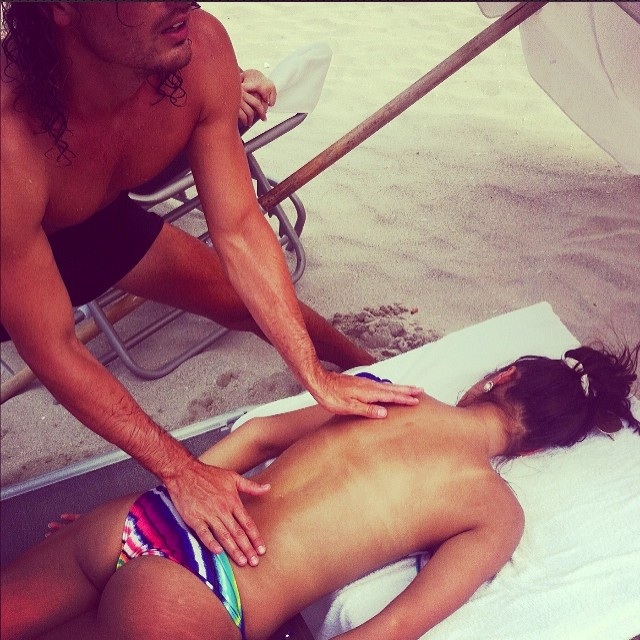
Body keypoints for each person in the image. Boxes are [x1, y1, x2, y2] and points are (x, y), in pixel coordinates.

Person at [0, 1, 424, 566]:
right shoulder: (10, 137)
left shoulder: (196, 50)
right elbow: (54, 346)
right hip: (10, 242)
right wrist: (181, 470)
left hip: (87, 220)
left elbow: (241, 227)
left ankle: (369, 369)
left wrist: (314, 375)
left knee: (237, 300)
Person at [2, 343, 638, 640]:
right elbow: (391, 630)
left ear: (500, 375)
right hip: (208, 597)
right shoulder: (494, 512)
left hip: (144, 520)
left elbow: (257, 434)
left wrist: (170, 501)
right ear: (537, 449)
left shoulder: (385, 396)